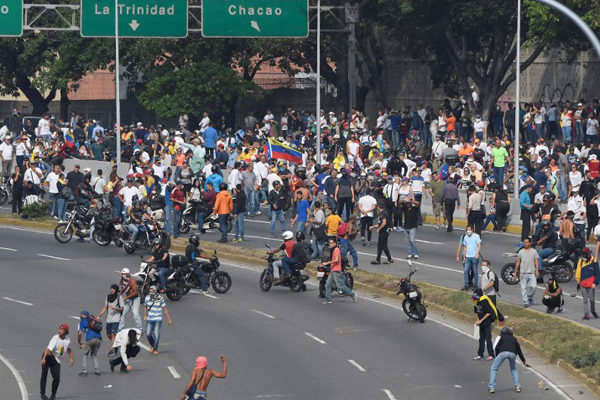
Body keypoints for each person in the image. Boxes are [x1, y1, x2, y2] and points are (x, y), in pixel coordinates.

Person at [488, 327, 530, 394]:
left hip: (502, 353)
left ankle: (491, 387)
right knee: (513, 369)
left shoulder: (502, 338)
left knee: (494, 368)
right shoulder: (514, 339)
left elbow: (497, 347)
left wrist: (497, 356)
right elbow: (519, 350)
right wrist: (524, 361)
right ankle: (517, 386)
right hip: (513, 354)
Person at [40, 324, 74, 400]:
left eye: (62, 330)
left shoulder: (68, 339)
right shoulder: (55, 338)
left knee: (57, 378)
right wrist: (43, 359)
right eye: (59, 329)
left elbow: (69, 349)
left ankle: (53, 394)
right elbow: (48, 349)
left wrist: (72, 358)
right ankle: (42, 393)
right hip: (48, 357)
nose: (60, 331)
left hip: (56, 359)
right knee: (44, 374)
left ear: (66, 332)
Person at [322, 237, 358, 304]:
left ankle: (352, 294)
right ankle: (328, 299)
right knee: (328, 285)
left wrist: (327, 263)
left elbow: (336, 260)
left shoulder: (336, 250)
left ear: (335, 243)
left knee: (340, 285)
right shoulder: (332, 250)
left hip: (336, 270)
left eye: (332, 243)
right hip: (332, 270)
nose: (330, 244)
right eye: (329, 243)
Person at [144, 286, 173, 355]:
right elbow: (145, 306)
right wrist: (145, 315)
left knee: (156, 335)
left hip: (158, 319)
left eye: (152, 289)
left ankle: (155, 349)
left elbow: (165, 309)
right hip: (150, 319)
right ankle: (153, 345)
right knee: (148, 334)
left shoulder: (160, 298)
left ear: (154, 291)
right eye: (150, 289)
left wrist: (169, 319)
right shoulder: (147, 297)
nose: (150, 290)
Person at [513, 237, 540, 307]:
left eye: (527, 242)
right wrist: (515, 272)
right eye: (524, 242)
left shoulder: (534, 251)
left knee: (534, 287)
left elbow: (536, 261)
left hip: (532, 273)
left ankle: (529, 298)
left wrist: (537, 270)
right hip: (523, 273)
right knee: (523, 288)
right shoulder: (521, 252)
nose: (525, 243)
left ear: (530, 243)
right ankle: (525, 302)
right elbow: (518, 262)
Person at [472, 288, 497, 361]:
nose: (473, 295)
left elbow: (488, 313)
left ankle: (491, 354)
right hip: (481, 323)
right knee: (481, 339)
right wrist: (478, 320)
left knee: (488, 339)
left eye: (475, 293)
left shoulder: (484, 301)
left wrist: (481, 320)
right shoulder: (476, 302)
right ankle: (480, 354)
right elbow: (476, 312)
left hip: (486, 322)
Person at [575, 247, 600, 320]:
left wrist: (595, 283)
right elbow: (578, 272)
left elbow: (597, 273)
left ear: (589, 254)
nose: (584, 257)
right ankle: (586, 314)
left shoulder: (594, 261)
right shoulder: (581, 261)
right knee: (585, 300)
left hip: (591, 285)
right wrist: (578, 282)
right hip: (583, 285)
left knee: (592, 300)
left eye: (585, 255)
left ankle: (593, 311)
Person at [97, 284, 123, 352]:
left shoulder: (119, 297)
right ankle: (116, 343)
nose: (112, 290)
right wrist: (99, 315)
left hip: (116, 318)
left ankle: (112, 349)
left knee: (113, 333)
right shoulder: (108, 297)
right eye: (111, 289)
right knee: (108, 334)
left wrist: (116, 308)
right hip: (109, 319)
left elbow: (122, 309)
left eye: (113, 289)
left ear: (116, 290)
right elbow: (105, 308)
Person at [77, 311, 102, 376]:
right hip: (98, 339)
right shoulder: (93, 320)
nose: (80, 315)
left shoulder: (82, 322)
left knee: (85, 354)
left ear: (83, 315)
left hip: (90, 339)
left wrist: (79, 342)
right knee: (94, 355)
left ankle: (84, 371)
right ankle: (97, 371)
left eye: (81, 314)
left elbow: (80, 333)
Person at [458, 225, 481, 291]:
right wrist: (464, 256)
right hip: (467, 257)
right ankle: (466, 285)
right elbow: (465, 247)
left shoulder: (476, 236)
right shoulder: (465, 237)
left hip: (474, 257)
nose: (468, 231)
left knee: (475, 272)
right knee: (466, 271)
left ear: (472, 230)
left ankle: (475, 286)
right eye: (467, 230)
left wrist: (477, 253)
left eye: (469, 230)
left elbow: (479, 245)